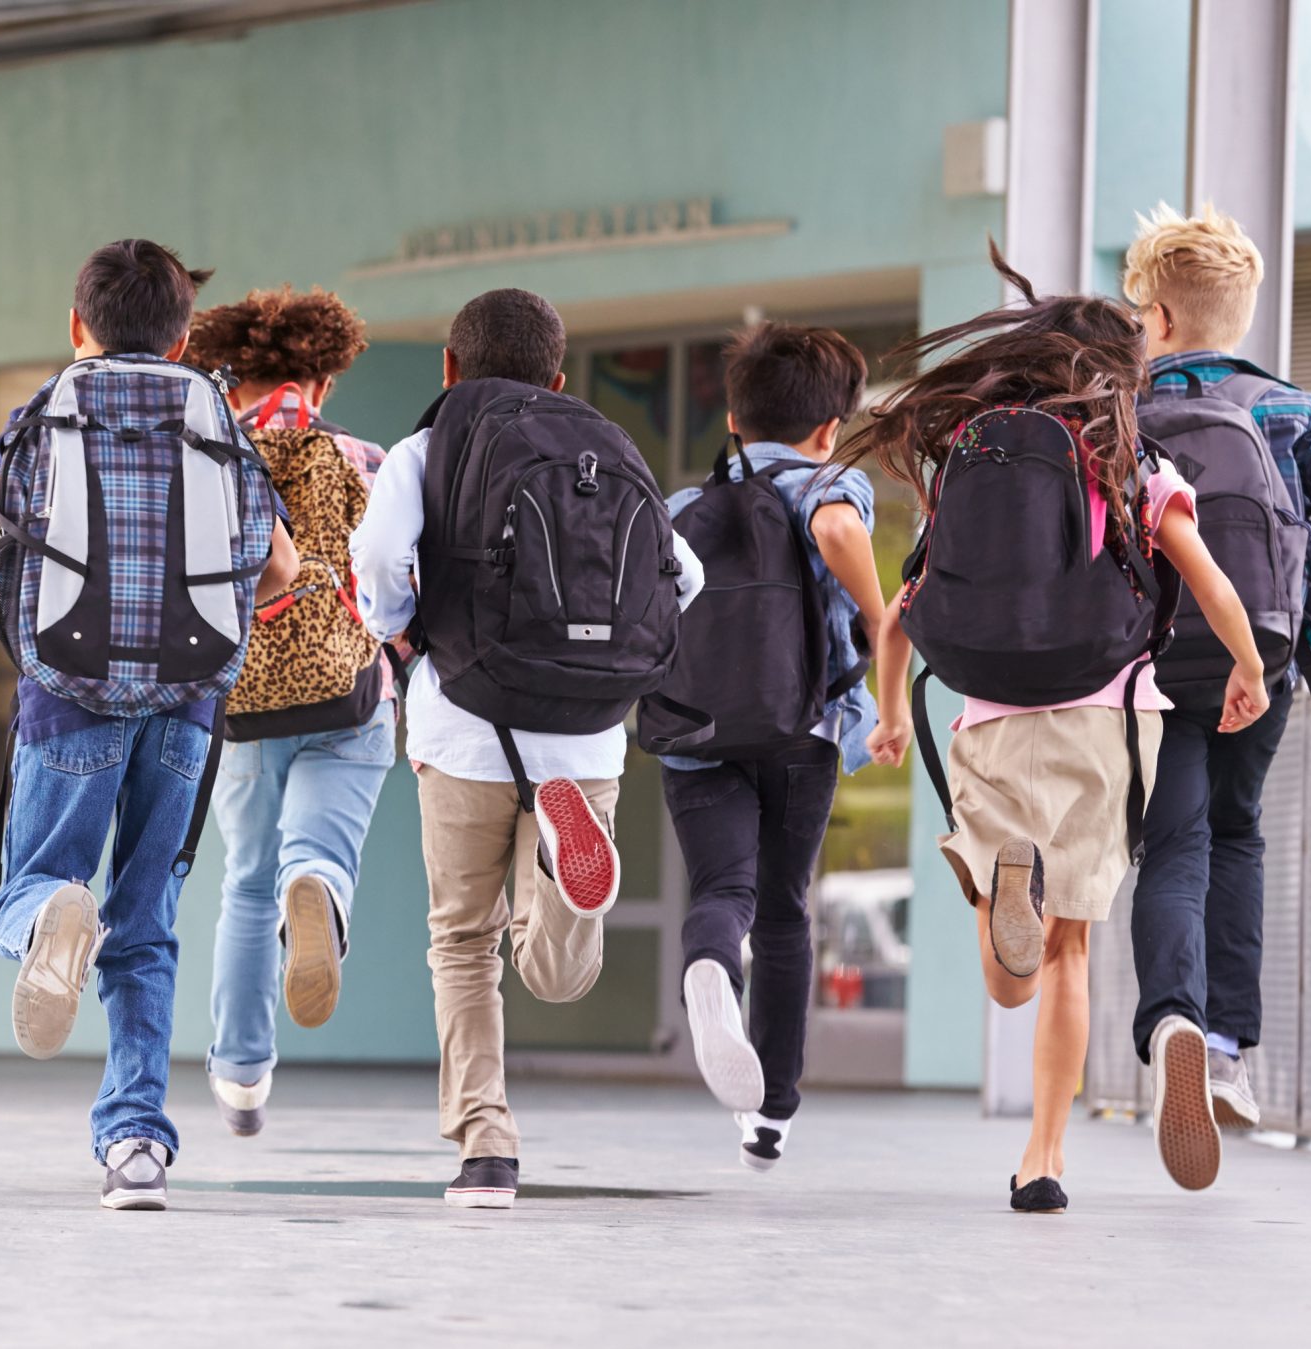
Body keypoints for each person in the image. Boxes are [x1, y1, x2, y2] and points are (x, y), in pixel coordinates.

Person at [852, 248, 1270, 1213]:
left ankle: (1012, 900)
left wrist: (889, 713)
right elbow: (1209, 580)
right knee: (1071, 949)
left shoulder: (973, 458)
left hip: (991, 719)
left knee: (1012, 976)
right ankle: (1046, 1155)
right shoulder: (1134, 463)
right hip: (1105, 718)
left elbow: (900, 617)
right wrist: (1247, 668)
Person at [350, 287, 702, 1209]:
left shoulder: (427, 448)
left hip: (464, 726)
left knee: (464, 942)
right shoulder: (606, 444)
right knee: (557, 972)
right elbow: (686, 576)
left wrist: (395, 627)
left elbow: (379, 556)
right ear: (559, 375)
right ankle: (563, 878)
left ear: (449, 368)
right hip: (585, 740)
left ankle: (487, 1147)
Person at [0, 240, 297, 1209]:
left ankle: (48, 916)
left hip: (67, 692)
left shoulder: (49, 408)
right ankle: (135, 1145)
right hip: (188, 702)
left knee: (30, 883)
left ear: (78, 325)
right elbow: (277, 564)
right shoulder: (215, 415)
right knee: (146, 919)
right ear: (183, 336)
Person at [1119, 204, 1311, 1141]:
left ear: (1157, 316)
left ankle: (1173, 1020)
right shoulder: (1290, 407)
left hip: (1150, 661)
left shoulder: (1121, 412)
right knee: (1236, 833)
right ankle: (1227, 1050)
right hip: (1260, 660)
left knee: (1172, 843)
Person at [656, 323, 887, 1173]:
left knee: (725, 890)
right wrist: (882, 620)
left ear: (732, 419)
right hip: (800, 729)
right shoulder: (832, 483)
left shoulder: (680, 507)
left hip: (698, 729)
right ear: (830, 427)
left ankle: (712, 966)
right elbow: (838, 534)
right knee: (786, 909)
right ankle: (772, 1114)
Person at [183, 287, 395, 1138]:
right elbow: (397, 583)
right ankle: (319, 889)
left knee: (245, 882)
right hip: (347, 695)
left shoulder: (209, 459)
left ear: (230, 378)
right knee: (317, 853)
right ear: (324, 379)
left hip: (243, 704)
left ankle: (240, 1075)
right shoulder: (362, 457)